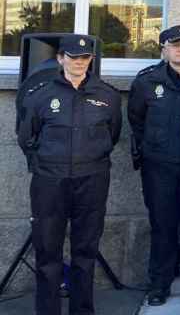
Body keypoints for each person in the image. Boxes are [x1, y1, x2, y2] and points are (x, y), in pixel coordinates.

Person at [17, 35, 122, 315]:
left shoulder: (107, 96)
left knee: (85, 253)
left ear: (91, 60)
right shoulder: (39, 94)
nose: (79, 63)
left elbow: (113, 135)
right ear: (61, 58)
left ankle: (82, 310)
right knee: (48, 253)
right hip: (50, 183)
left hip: (92, 181)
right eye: (73, 57)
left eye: (85, 58)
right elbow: (27, 137)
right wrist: (47, 165)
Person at [128, 26, 180, 306]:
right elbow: (136, 119)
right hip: (159, 168)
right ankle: (159, 283)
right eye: (175, 44)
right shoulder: (147, 80)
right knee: (162, 225)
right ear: (164, 49)